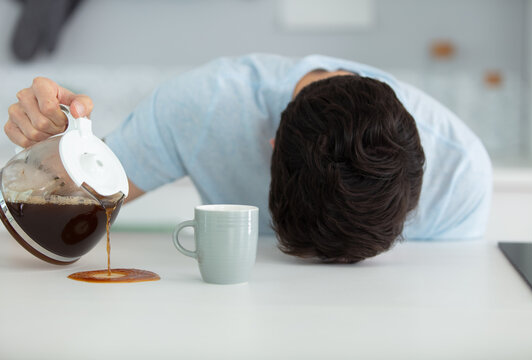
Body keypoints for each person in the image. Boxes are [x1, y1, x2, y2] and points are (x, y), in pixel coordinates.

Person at [5, 54, 492, 264]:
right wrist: (48, 140)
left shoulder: (462, 173)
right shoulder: (204, 105)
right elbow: (74, 194)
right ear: (272, 144)